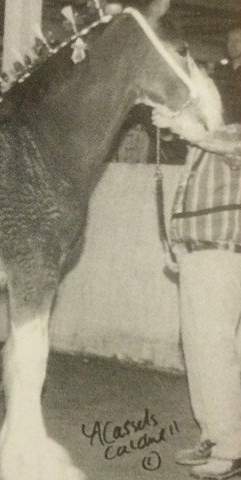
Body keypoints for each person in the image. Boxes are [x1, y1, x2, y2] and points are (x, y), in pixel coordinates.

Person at [151, 36, 241, 479]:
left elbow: (229, 143)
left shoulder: (226, 137)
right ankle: (214, 433)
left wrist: (195, 131)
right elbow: (185, 198)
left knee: (216, 349)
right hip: (197, 254)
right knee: (202, 348)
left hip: (221, 254)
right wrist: (175, 241)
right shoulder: (200, 149)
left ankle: (231, 448)